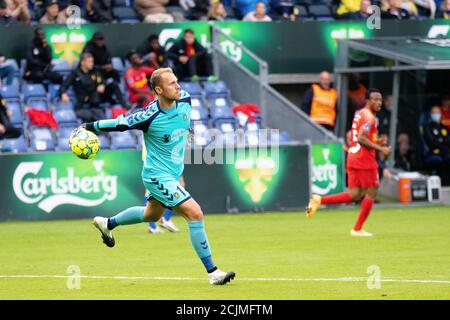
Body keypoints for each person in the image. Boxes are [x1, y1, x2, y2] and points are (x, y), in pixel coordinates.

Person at [82, 67, 235, 285]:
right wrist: (88, 126)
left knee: (151, 215)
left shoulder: (185, 99)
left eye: (177, 81)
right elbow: (119, 123)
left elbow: (185, 120)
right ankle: (213, 272)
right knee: (194, 213)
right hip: (156, 176)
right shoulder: (149, 115)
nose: (178, 86)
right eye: (172, 83)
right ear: (158, 89)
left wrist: (188, 131)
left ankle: (108, 223)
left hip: (173, 173)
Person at [306, 89, 392, 237]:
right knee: (371, 193)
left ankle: (318, 199)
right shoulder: (369, 117)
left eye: (380, 100)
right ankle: (357, 229)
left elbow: (359, 136)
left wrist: (376, 141)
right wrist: (381, 149)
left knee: (354, 194)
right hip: (364, 160)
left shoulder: (360, 113)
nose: (378, 102)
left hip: (353, 157)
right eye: (375, 99)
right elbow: (361, 138)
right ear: (367, 101)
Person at [59, 52, 122, 122]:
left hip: (96, 99)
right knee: (91, 116)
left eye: (92, 61)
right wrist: (63, 93)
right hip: (83, 103)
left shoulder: (94, 70)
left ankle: (124, 106)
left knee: (113, 85)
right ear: (82, 62)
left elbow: (101, 80)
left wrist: (102, 85)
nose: (91, 63)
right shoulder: (75, 73)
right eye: (89, 62)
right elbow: (64, 85)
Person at [82, 32, 128, 108]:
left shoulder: (104, 47)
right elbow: (89, 66)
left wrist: (109, 65)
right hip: (93, 72)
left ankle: (122, 103)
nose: (100, 41)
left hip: (102, 72)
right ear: (94, 40)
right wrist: (102, 67)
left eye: (102, 39)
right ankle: (102, 102)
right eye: (98, 39)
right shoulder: (88, 48)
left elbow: (108, 58)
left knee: (115, 74)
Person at [423, 105, 450, 184]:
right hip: (434, 152)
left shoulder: (444, 127)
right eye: (434, 112)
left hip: (446, 151)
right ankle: (445, 182)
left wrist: (441, 140)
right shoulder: (428, 127)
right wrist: (443, 141)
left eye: (438, 112)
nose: (436, 114)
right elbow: (432, 143)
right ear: (430, 114)